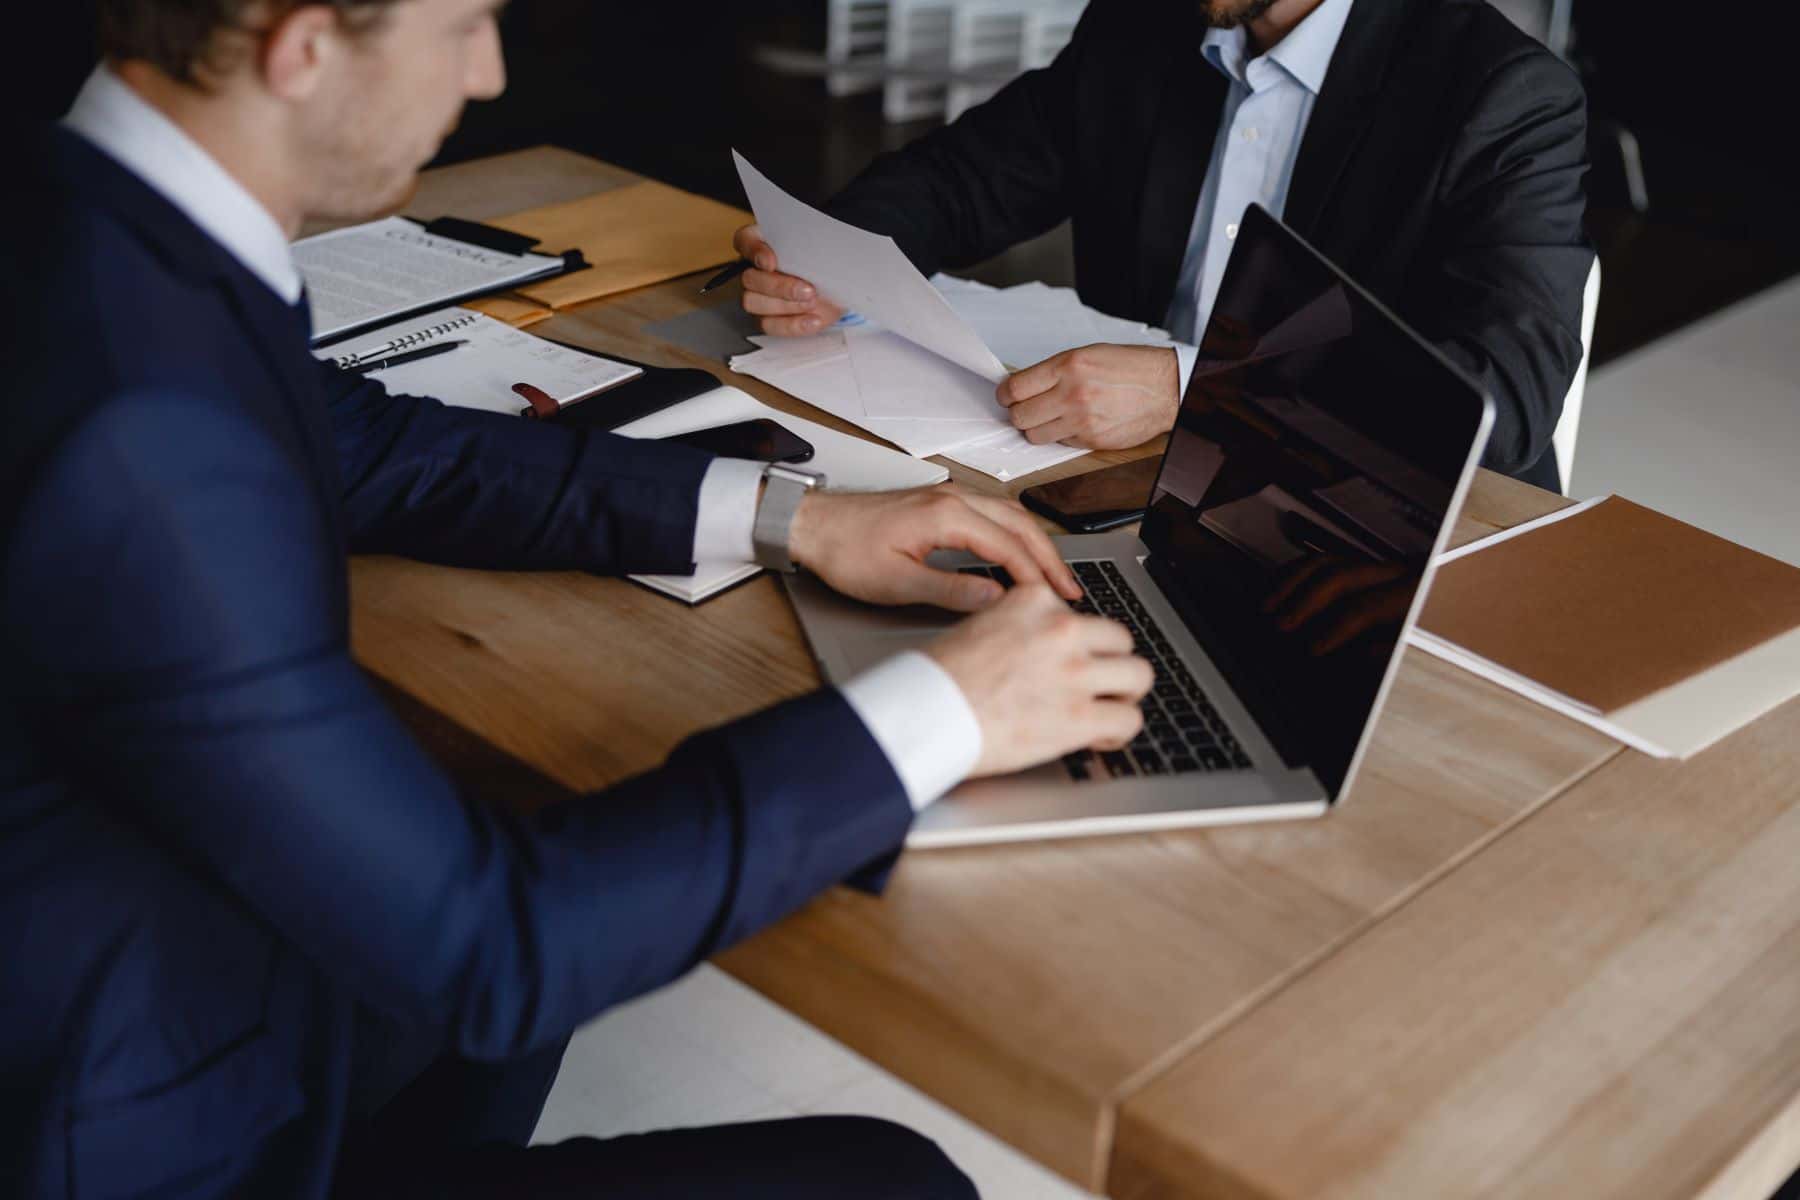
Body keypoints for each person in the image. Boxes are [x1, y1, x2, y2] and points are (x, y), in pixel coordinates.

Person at [0, 0, 1157, 1195]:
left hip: (168, 938)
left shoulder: (85, 214)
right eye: (465, 25)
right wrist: (945, 712)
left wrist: (797, 516)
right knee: (899, 1180)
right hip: (159, 1126)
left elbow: (373, 445)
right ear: (300, 46)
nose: (493, 71)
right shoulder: (141, 433)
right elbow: (491, 948)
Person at [737, 0, 1594, 491]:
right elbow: (966, 180)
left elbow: (1504, 400)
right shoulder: (1142, 26)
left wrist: (1199, 391)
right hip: (1140, 482)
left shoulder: (1504, 93)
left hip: (1372, 521)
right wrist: (833, 254)